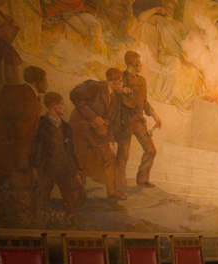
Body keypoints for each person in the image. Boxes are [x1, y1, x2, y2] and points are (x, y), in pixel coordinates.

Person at [0, 66, 48, 223]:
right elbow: (24, 132)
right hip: (11, 154)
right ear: (38, 81)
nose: (47, 84)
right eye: (45, 80)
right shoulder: (31, 102)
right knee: (17, 195)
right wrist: (23, 161)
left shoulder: (9, 90)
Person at [69, 68, 134, 199]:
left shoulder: (115, 99)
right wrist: (93, 117)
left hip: (96, 132)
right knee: (79, 160)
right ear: (113, 81)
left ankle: (112, 191)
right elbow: (74, 95)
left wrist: (110, 141)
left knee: (110, 156)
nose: (123, 84)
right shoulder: (95, 86)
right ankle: (76, 194)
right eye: (120, 81)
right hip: (81, 128)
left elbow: (109, 122)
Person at [31, 92, 83, 220]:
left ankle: (70, 218)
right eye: (61, 104)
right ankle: (43, 219)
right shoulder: (40, 123)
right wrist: (33, 167)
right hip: (46, 168)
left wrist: (76, 170)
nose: (64, 107)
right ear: (53, 106)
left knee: (68, 195)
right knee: (43, 194)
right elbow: (34, 147)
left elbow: (71, 151)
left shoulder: (66, 127)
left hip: (63, 168)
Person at [116, 50, 162, 197]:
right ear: (131, 62)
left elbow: (144, 102)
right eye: (138, 61)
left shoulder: (142, 81)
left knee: (151, 150)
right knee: (123, 155)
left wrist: (154, 114)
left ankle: (142, 180)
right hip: (125, 121)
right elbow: (113, 93)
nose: (140, 64)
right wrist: (121, 90)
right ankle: (120, 188)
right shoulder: (121, 77)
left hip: (139, 120)